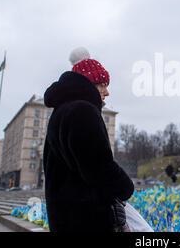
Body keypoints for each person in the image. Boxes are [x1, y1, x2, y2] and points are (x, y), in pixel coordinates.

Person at [43, 48, 134, 232]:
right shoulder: (83, 111)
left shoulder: (62, 111)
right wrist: (125, 187)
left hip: (66, 219)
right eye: (102, 84)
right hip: (86, 220)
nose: (107, 92)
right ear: (90, 84)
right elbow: (98, 167)